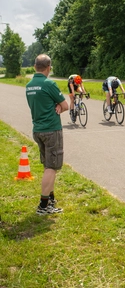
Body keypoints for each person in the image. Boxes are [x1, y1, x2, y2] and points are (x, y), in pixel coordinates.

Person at [26, 54, 68, 215]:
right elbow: (65, 105)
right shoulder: (49, 83)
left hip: (38, 130)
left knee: (47, 166)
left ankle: (50, 201)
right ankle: (43, 206)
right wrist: (59, 105)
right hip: (52, 129)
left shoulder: (29, 85)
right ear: (49, 67)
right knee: (52, 167)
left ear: (35, 66)